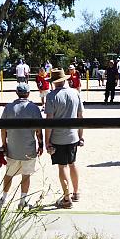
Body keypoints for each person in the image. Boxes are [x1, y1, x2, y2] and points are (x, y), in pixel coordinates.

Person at [45, 69, 84, 209]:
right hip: (73, 135)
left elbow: (49, 120)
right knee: (73, 163)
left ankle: (67, 198)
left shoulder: (51, 97)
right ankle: (76, 192)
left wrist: (47, 141)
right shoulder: (75, 93)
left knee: (62, 166)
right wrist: (81, 135)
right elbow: (81, 116)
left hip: (58, 137)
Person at [0, 83, 43, 209]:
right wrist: (41, 145)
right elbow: (38, 130)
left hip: (12, 148)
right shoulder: (34, 108)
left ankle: (3, 198)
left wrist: (4, 144)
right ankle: (22, 201)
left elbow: (3, 129)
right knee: (26, 175)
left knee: (9, 174)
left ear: (16, 93)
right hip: (28, 148)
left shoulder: (8, 108)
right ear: (28, 93)